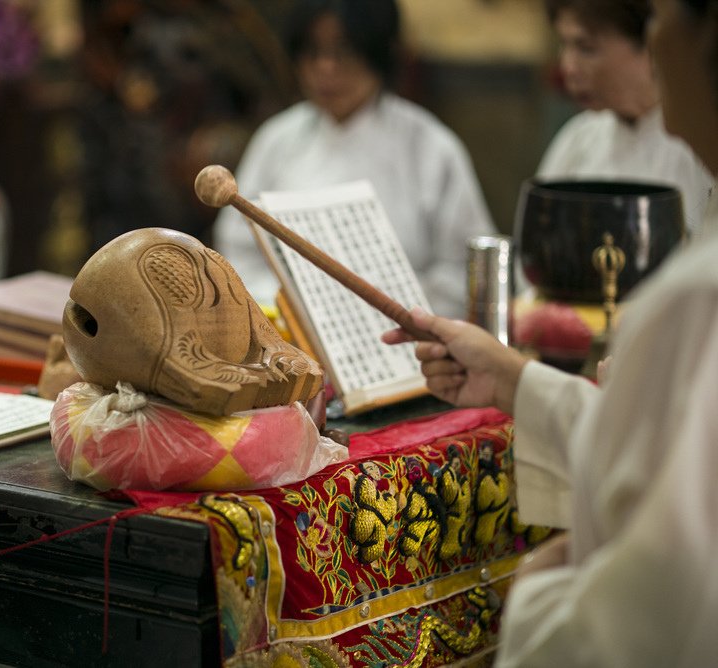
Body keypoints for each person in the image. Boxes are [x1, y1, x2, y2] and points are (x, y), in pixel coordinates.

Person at [383, 0, 718, 663]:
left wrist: (538, 595)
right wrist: (511, 377)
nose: (657, 36)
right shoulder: (583, 148)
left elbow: (648, 617)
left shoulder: (694, 296)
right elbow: (662, 449)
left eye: (660, 15)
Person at [212, 0, 496, 319]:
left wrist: (393, 312)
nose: (326, 67)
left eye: (343, 51)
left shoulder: (430, 146)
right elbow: (238, 252)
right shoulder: (277, 140)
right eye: (312, 52)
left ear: (379, 53)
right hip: (288, 340)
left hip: (403, 336)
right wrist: (289, 308)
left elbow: (462, 269)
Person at [537, 0, 717, 236]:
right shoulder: (578, 139)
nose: (567, 67)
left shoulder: (700, 143)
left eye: (586, 48)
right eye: (564, 45)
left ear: (650, 44)